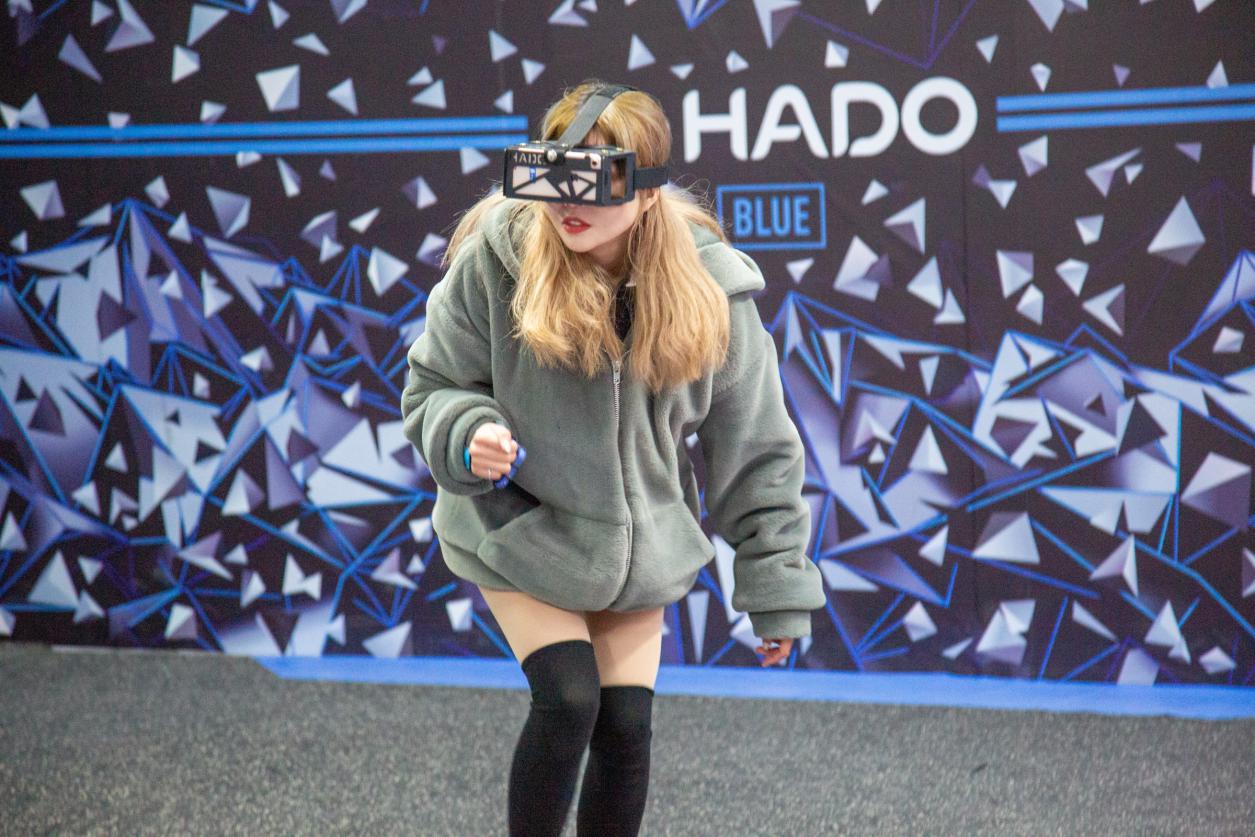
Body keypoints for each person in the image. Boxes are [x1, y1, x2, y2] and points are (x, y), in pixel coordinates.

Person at [400, 81, 826, 837]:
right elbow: (434, 385)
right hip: (518, 526)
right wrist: (468, 431)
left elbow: (757, 447)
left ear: (647, 189)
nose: (567, 203)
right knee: (568, 698)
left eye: (593, 180)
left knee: (625, 727)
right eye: (550, 173)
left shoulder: (711, 292)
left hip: (635, 547)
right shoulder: (498, 263)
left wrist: (776, 587)